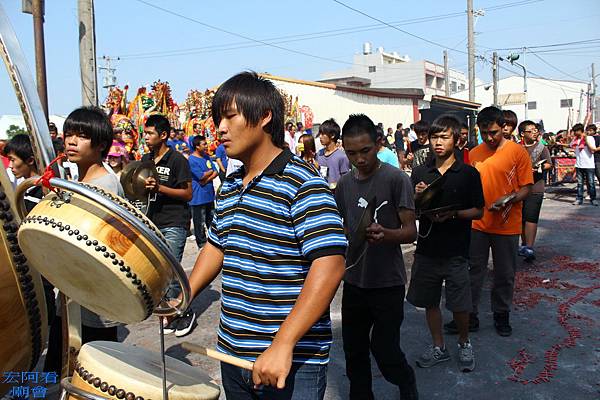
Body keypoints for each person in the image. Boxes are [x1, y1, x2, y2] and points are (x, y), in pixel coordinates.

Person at [180, 72, 346, 399]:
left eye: (230, 117)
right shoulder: (231, 183)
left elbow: (330, 265)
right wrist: (183, 295)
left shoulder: (301, 184)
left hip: (291, 362)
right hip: (233, 353)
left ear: (264, 116)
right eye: (218, 120)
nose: (220, 129)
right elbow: (216, 246)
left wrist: (283, 344)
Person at [335, 114, 418, 399]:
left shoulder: (396, 179)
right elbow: (342, 225)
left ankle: (406, 380)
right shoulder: (344, 185)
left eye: (365, 151)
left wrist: (387, 234)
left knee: (385, 351)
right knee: (354, 353)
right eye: (351, 153)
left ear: (378, 144)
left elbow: (411, 232)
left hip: (388, 284)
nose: (359, 159)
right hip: (355, 283)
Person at [45, 106, 125, 374]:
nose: (71, 141)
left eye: (81, 135)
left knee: (91, 375)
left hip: (95, 300)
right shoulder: (80, 182)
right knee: (60, 366)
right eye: (69, 134)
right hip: (75, 295)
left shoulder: (105, 187)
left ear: (101, 144)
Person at [444, 106, 533, 338]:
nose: (489, 138)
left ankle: (501, 314)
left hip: (507, 225)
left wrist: (509, 199)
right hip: (478, 224)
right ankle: (469, 317)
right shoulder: (474, 153)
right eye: (484, 133)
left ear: (503, 126)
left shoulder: (518, 153)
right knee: (473, 272)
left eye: (493, 132)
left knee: (504, 274)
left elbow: (527, 188)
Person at [408, 116, 484, 373]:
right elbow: (412, 212)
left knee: (461, 303)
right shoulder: (420, 172)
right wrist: (418, 197)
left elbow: (478, 211)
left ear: (457, 140)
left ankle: (464, 342)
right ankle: (438, 346)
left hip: (457, 250)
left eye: (444, 137)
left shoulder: (468, 174)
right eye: (434, 137)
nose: (438, 143)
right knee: (429, 301)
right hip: (428, 247)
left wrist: (454, 214)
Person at [142, 114, 195, 336]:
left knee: (172, 270)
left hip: (175, 222)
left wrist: (159, 189)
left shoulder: (177, 160)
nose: (146, 137)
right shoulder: (145, 160)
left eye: (150, 133)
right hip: (152, 222)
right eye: (145, 133)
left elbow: (188, 193)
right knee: (159, 271)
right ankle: (168, 312)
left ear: (163, 135)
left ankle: (183, 312)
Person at [518, 120, 552, 261]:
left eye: (535, 130)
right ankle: (524, 244)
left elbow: (549, 164)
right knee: (521, 218)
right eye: (530, 130)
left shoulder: (541, 148)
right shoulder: (516, 148)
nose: (534, 132)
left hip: (535, 188)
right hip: (519, 188)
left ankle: (529, 247)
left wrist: (538, 168)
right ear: (522, 134)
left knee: (531, 218)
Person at [188, 135, 217, 250]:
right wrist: (209, 174)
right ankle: (201, 243)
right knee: (199, 222)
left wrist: (207, 178)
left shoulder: (206, 157)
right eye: (204, 144)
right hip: (198, 196)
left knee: (211, 218)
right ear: (197, 146)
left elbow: (215, 172)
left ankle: (213, 240)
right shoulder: (191, 160)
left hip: (209, 194)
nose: (206, 146)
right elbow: (200, 176)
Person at [316, 118, 350, 189]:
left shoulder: (342, 156)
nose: (320, 137)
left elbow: (346, 180)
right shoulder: (319, 153)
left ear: (332, 135)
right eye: (320, 134)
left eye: (323, 134)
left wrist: (335, 185)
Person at [571, 123, 598, 206]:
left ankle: (593, 199)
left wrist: (586, 140)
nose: (575, 133)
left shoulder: (589, 138)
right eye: (574, 131)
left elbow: (592, 150)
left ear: (580, 131)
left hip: (589, 165)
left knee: (591, 183)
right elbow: (570, 146)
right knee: (580, 183)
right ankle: (579, 199)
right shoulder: (575, 140)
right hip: (579, 165)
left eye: (576, 131)